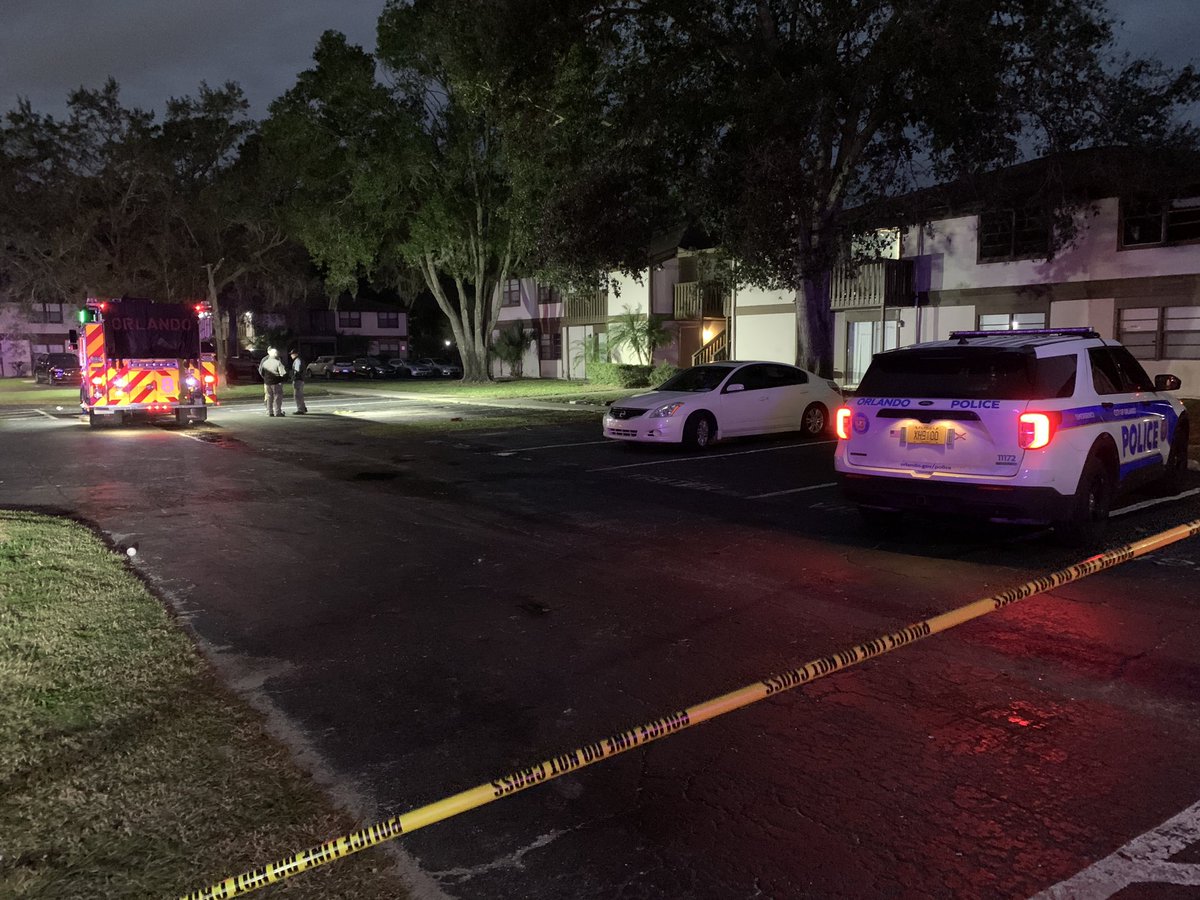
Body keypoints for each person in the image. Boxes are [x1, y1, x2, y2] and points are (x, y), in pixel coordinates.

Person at [257, 347, 288, 417]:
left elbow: (261, 371)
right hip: (276, 382)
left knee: (269, 397)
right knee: (277, 397)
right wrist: (283, 379)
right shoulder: (278, 361)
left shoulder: (264, 360)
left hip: (267, 382)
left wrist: (266, 378)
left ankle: (269, 412)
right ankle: (277, 412)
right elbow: (282, 373)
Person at [289, 349, 308, 414]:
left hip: (298, 380)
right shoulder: (300, 360)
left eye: (292, 354)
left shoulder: (297, 361)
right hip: (301, 379)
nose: (291, 355)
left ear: (295, 354)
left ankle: (300, 409)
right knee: (300, 395)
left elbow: (297, 371)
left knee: (297, 395)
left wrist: (293, 377)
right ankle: (303, 408)